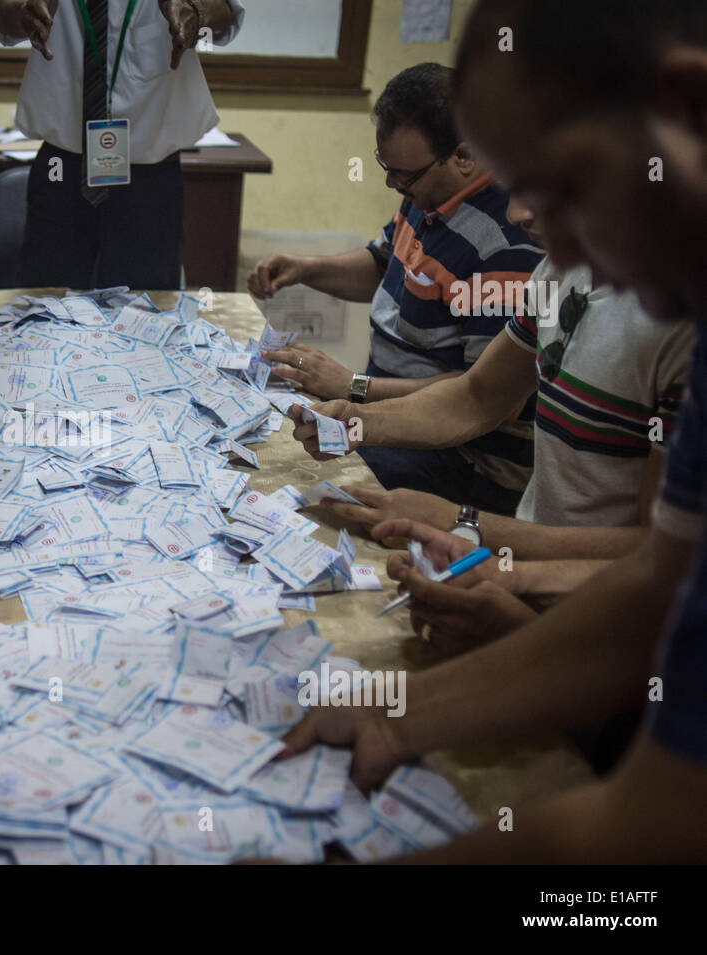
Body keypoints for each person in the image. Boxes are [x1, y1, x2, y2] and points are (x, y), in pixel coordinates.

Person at [278, 0, 707, 863]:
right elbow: (664, 582)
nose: (519, 222)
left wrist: (480, 534)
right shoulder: (593, 276)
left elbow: (653, 829)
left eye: (560, 187)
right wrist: (402, 712)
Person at [284, 192, 692, 647]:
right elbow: (478, 396)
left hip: (614, 626)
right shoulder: (563, 269)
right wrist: (359, 420)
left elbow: (661, 552)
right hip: (531, 573)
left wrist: (469, 525)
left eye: (543, 183)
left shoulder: (682, 326)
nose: (517, 212)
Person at [249, 63, 544, 516]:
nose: (393, 184)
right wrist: (306, 268)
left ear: (463, 156)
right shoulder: (427, 193)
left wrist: (357, 388)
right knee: (267, 436)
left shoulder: (507, 248)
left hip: (462, 460)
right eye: (385, 167)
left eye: (404, 174)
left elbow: (480, 395)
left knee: (289, 484)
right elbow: (385, 264)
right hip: (401, 417)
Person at [0, 0, 245, 289]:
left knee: (146, 314)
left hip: (150, 173)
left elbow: (226, 15)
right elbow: (3, 22)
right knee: (46, 308)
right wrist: (19, 9)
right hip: (60, 167)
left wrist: (197, 10)